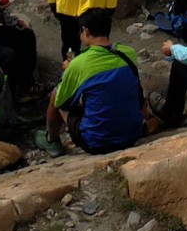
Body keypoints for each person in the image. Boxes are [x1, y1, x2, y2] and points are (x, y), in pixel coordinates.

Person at [47, 13, 149, 154]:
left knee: (55, 94)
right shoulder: (128, 53)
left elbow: (62, 101)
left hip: (97, 142)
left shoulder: (78, 63)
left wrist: (68, 71)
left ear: (86, 31)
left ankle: (51, 140)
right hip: (133, 135)